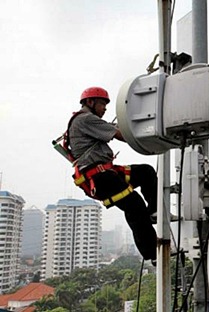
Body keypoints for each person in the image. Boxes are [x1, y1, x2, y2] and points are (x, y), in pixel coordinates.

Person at [64, 86, 158, 265]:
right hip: (101, 177)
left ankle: (153, 211)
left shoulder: (86, 121)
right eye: (102, 104)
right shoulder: (85, 119)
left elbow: (113, 127)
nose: (105, 108)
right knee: (135, 206)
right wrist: (149, 136)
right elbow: (120, 134)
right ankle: (152, 252)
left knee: (145, 172)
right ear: (90, 103)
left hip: (108, 173)